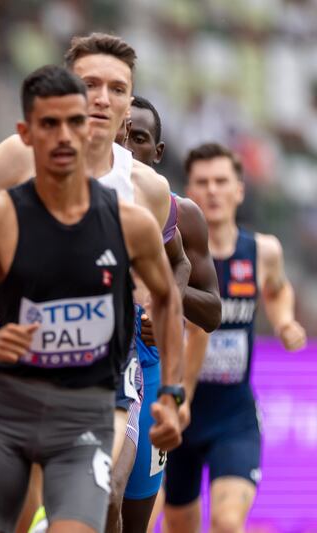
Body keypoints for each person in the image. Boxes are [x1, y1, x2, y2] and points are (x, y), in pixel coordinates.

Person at [0, 33, 190, 532]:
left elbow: (169, 288)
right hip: (13, 375)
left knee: (104, 496)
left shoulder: (147, 192)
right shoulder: (16, 160)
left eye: (118, 88)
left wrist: (172, 390)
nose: (103, 97)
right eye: (91, 84)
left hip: (103, 382)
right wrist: (10, 266)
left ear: (130, 103)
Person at [164, 143, 306, 533]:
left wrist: (284, 322)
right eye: (202, 182)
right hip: (177, 410)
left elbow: (277, 289)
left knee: (227, 522)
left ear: (240, 190)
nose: (212, 191)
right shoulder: (172, 256)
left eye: (222, 181)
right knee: (178, 525)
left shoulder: (262, 250)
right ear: (187, 191)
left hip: (233, 417)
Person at [118, 96, 222, 533]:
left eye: (140, 139)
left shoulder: (182, 214)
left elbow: (213, 310)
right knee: (101, 499)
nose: (128, 146)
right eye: (123, 136)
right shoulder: (77, 199)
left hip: (152, 361)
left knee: (134, 512)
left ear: (157, 152)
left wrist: (167, 303)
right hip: (99, 360)